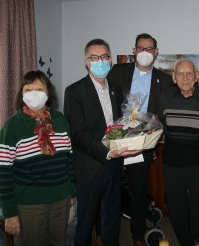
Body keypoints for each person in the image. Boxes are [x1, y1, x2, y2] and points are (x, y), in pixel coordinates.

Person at [64, 38, 139, 246]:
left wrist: (134, 132)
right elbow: (78, 134)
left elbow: (117, 125)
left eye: (104, 57)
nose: (100, 61)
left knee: (112, 219)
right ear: (86, 61)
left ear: (110, 59)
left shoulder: (116, 87)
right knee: (86, 223)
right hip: (90, 167)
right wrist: (107, 152)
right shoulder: (74, 91)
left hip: (114, 166)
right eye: (94, 57)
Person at [107, 33, 174, 246]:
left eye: (149, 49)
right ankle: (105, 234)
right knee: (110, 189)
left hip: (142, 145)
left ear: (156, 52)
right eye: (140, 48)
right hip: (115, 141)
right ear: (134, 50)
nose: (144, 52)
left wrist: (153, 137)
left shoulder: (164, 80)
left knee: (138, 192)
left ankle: (137, 235)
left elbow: (164, 115)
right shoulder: (118, 72)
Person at [0, 70, 75, 246]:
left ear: (48, 93)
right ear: (21, 94)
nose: (34, 94)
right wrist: (9, 213)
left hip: (60, 200)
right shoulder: (11, 127)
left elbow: (68, 159)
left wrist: (72, 191)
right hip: (29, 205)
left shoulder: (60, 120)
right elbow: (3, 172)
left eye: (39, 89)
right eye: (28, 89)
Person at [157, 59, 199, 246]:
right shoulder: (165, 97)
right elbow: (158, 127)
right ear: (174, 78)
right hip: (172, 164)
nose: (185, 78)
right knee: (176, 211)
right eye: (180, 74)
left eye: (189, 74)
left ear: (196, 78)